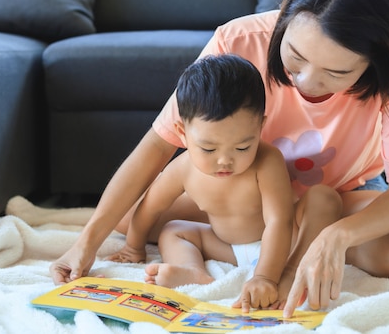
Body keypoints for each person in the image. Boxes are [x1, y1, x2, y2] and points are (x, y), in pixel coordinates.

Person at [50, 0, 389, 318]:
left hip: (339, 198)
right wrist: (87, 242)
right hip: (244, 191)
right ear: (284, 20)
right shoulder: (239, 40)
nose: (307, 81)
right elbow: (160, 142)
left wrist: (336, 237)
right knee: (129, 215)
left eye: (336, 73)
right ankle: (263, 247)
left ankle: (288, 251)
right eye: (296, 58)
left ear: (374, 62)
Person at [107, 54, 294, 311]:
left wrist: (265, 276)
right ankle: (191, 270)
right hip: (227, 248)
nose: (224, 161)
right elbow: (151, 207)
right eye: (208, 149)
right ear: (182, 133)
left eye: (242, 147)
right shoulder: (183, 169)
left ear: (260, 127)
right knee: (173, 230)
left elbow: (279, 221)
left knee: (314, 209)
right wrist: (133, 246)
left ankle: (273, 273)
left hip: (274, 246)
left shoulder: (268, 160)